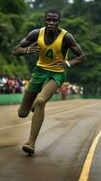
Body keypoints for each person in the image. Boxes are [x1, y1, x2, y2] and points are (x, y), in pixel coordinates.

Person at [13, 9, 86, 155]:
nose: (51, 23)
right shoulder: (36, 33)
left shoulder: (67, 37)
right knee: (22, 113)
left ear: (59, 22)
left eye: (54, 20)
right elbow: (16, 49)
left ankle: (31, 143)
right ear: (44, 20)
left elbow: (82, 57)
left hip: (57, 74)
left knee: (40, 101)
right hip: (39, 72)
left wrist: (68, 63)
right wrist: (26, 50)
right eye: (48, 20)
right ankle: (34, 107)